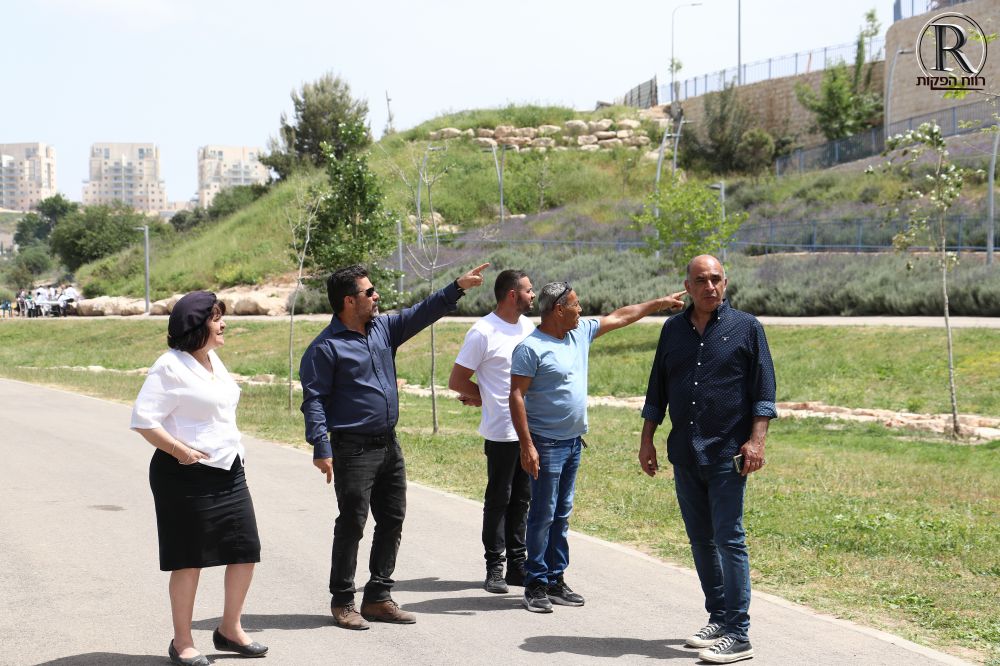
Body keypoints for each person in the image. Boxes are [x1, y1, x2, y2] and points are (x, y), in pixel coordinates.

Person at [300, 262, 489, 630]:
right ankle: (343, 600)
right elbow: (314, 401)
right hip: (352, 449)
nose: (377, 296)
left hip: (389, 445)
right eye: (369, 292)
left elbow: (422, 312)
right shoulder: (325, 348)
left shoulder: (384, 329)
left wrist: (457, 287)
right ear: (349, 301)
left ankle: (378, 596)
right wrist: (321, 446)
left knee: (392, 520)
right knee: (352, 523)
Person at [510, 281, 685, 613]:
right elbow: (516, 395)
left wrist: (659, 303)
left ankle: (555, 580)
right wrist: (527, 445)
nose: (581, 310)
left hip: (573, 443)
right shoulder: (531, 348)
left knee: (561, 515)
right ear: (558, 310)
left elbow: (620, 316)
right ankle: (535, 584)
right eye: (576, 305)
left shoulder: (579, 333)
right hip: (545, 445)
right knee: (543, 515)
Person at [638, 255, 776, 664]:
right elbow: (657, 390)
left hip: (727, 453)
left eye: (716, 279)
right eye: (701, 280)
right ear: (688, 286)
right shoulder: (672, 329)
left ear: (725, 283)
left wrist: (757, 443)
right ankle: (718, 618)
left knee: (729, 539)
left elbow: (764, 391)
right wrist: (647, 440)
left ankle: (739, 633)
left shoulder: (747, 327)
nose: (709, 286)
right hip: (685, 452)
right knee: (700, 540)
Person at [131, 291, 268, 666]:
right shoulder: (169, 367)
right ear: (196, 325)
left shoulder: (211, 360)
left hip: (229, 469)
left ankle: (230, 629)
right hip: (184, 475)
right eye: (216, 318)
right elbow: (143, 420)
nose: (224, 324)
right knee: (188, 560)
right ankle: (182, 642)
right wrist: (181, 451)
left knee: (244, 551)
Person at [448, 269, 536, 594]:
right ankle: (494, 568)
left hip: (528, 431)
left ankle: (517, 566)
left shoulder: (528, 328)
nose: (533, 295)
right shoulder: (482, 332)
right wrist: (486, 398)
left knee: (522, 500)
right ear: (512, 295)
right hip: (500, 431)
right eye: (528, 290)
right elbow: (457, 381)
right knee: (500, 499)